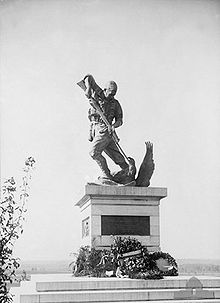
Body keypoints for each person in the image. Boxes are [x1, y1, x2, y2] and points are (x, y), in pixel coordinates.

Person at [83, 74, 129, 181]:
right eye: (111, 93)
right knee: (116, 155)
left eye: (114, 94)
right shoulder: (98, 93)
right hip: (95, 128)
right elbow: (88, 77)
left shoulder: (115, 104)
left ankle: (108, 176)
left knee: (94, 153)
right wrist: (88, 89)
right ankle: (126, 170)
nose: (112, 96)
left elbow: (120, 120)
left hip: (105, 129)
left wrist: (113, 126)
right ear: (105, 89)